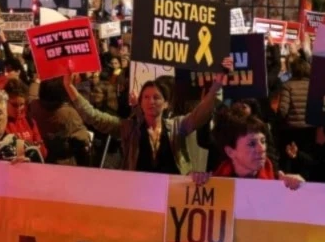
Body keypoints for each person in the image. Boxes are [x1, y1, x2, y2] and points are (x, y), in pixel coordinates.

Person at [63, 65, 224, 174]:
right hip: (138, 194)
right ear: (140, 102)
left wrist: (216, 85)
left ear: (166, 103)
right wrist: (69, 87)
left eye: (156, 97)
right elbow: (94, 116)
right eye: (146, 97)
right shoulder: (128, 128)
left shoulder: (177, 126)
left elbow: (201, 114)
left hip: (173, 193)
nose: (151, 101)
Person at [191, 112, 304, 190]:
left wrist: (299, 187)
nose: (262, 149)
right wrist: (194, 181)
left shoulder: (280, 184)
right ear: (230, 152)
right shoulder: (213, 183)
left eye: (263, 141)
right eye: (252, 144)